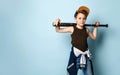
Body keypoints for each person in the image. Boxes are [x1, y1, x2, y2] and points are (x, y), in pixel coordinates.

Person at [53, 6, 100, 75]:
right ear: (76, 19)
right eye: (79, 18)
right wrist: (57, 24)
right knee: (71, 73)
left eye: (84, 19)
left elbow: (94, 37)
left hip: (85, 55)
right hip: (75, 55)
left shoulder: (86, 30)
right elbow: (58, 30)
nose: (82, 20)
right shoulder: (72, 28)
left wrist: (95, 27)